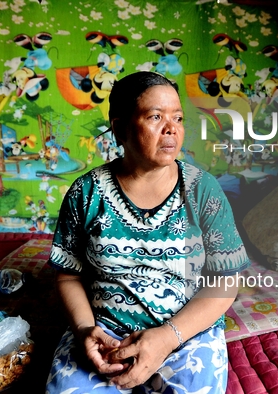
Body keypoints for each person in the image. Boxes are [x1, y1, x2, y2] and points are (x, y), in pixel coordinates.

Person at [46, 71, 250, 393]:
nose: (172, 129)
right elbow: (68, 274)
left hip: (185, 331)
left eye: (178, 118)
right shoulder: (86, 192)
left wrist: (168, 337)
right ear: (120, 128)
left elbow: (227, 280)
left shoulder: (202, 190)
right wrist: (85, 330)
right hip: (105, 332)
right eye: (156, 116)